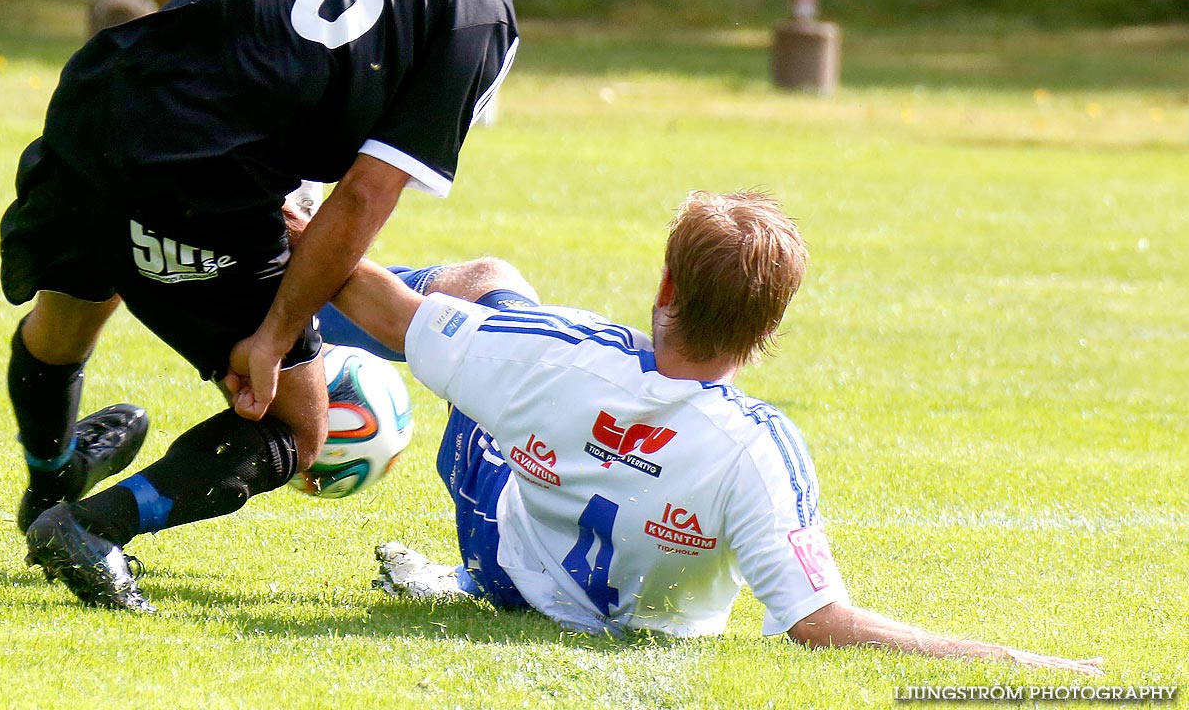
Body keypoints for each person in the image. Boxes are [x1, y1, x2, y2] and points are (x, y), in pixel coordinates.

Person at [0, 0, 606, 612]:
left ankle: (49, 477)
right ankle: (89, 525)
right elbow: (363, 196)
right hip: (204, 179)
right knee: (296, 422)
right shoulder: (479, 9)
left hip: (101, 100)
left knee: (72, 306)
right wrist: (279, 328)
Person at [323, 191, 1101, 673]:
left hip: (501, 557)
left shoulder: (557, 354)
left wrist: (297, 233)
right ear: (770, 325)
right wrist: (1019, 662)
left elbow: (385, 306)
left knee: (488, 288)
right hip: (657, 626)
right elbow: (820, 623)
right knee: (497, 331)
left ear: (665, 284)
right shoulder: (759, 450)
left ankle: (293, 359)